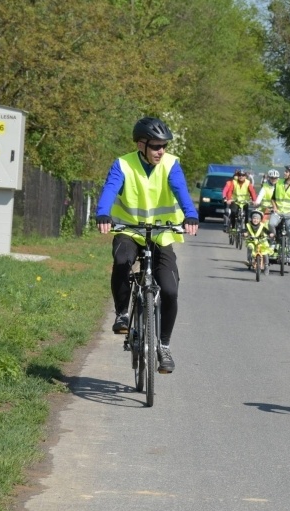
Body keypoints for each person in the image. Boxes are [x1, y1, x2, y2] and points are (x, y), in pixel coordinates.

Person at [96, 117, 199, 374]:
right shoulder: (123, 164)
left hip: (161, 234)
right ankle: (122, 313)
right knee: (122, 261)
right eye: (155, 146)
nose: (161, 151)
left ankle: (164, 346)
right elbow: (110, 189)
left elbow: (181, 190)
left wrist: (190, 214)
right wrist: (103, 213)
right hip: (129, 230)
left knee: (170, 290)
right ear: (141, 145)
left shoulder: (171, 164)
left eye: (164, 146)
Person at [222, 169, 257, 233]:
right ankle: (233, 227)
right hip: (235, 201)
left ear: (245, 176)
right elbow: (230, 191)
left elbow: (252, 192)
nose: (241, 176)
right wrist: (229, 199)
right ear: (237, 176)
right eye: (239, 175)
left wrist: (254, 200)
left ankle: (246, 229)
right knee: (233, 212)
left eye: (243, 175)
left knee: (247, 215)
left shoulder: (248, 183)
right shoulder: (234, 182)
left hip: (245, 201)